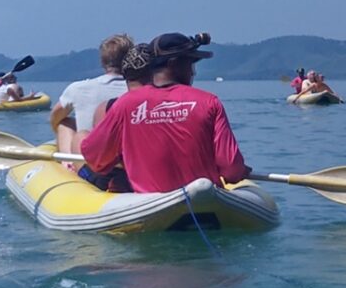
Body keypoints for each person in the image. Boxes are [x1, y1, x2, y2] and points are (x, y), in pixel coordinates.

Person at [81, 31, 250, 194]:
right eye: (189, 64)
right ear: (173, 63)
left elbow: (94, 159)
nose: (193, 72)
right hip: (207, 209)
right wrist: (240, 172)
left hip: (149, 208)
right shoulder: (209, 102)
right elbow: (231, 170)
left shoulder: (125, 104)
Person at [81, 43, 156, 192]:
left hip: (118, 180)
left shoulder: (108, 107)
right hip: (157, 178)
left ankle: (74, 172)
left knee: (80, 137)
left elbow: (97, 158)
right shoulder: (175, 105)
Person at [50, 34, 132, 158]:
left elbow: (55, 116)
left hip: (88, 158)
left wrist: (59, 138)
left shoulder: (77, 88)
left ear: (103, 61)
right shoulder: (139, 90)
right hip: (123, 155)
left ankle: (68, 161)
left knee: (65, 122)